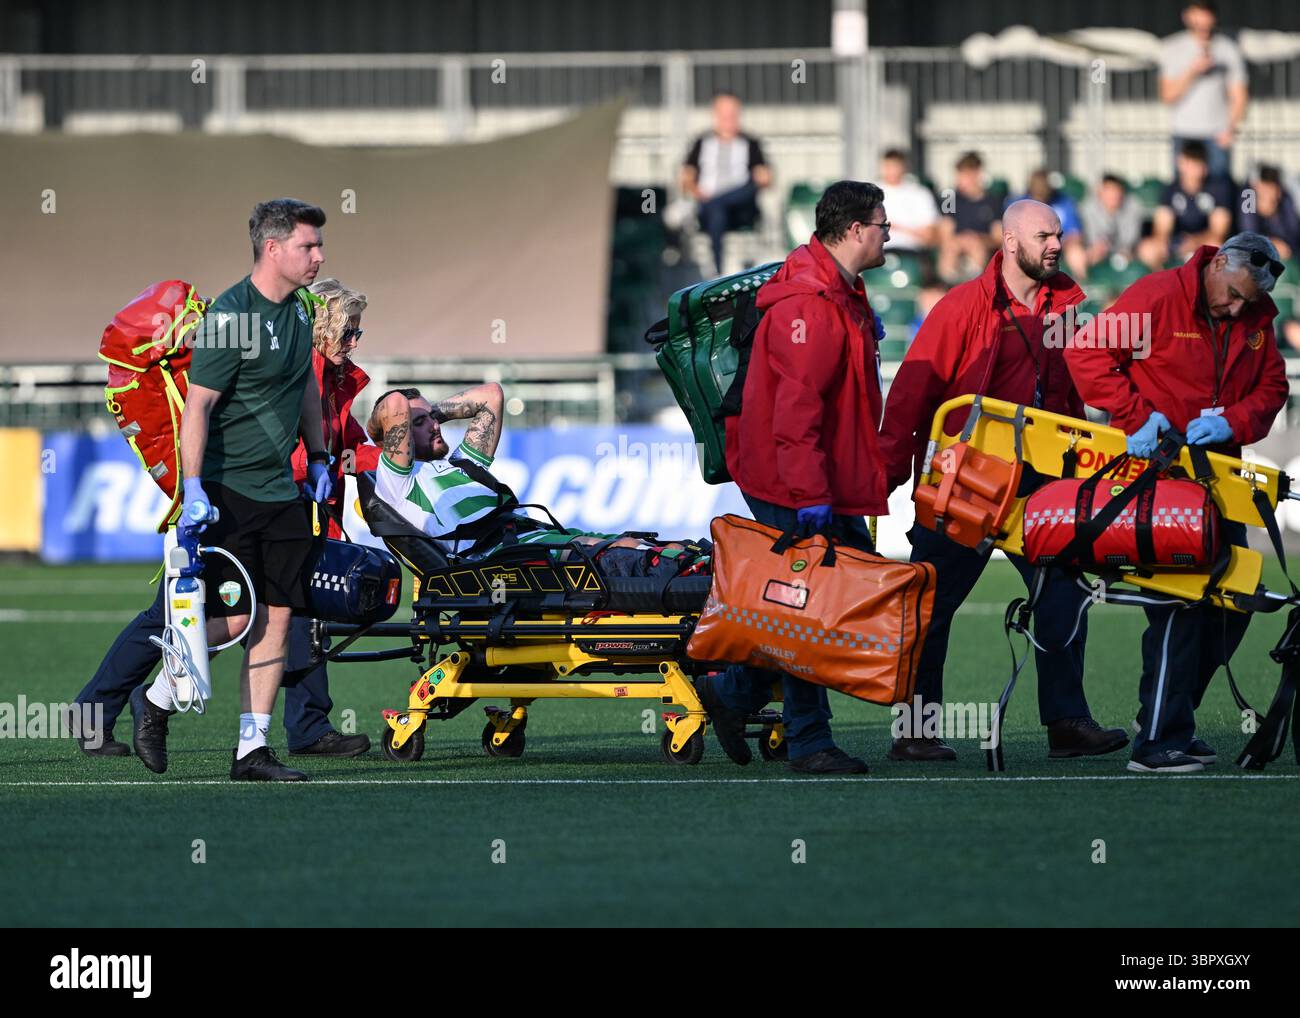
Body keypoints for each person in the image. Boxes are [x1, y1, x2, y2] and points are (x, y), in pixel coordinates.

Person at [74, 275, 379, 760]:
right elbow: (271, 440)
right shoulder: (294, 369)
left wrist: (377, 458)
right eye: (348, 332)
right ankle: (117, 705)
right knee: (182, 619)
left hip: (280, 504)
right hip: (239, 501)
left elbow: (346, 441)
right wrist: (319, 468)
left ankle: (306, 725)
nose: (355, 342)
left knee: (292, 612)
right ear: (322, 328)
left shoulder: (329, 378)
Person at [878, 200, 1128, 762]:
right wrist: (888, 470)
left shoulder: (1065, 310)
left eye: (1059, 234)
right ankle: (914, 733)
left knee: (1064, 592)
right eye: (1044, 235)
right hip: (965, 481)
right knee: (930, 605)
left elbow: (1069, 403)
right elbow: (913, 392)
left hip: (1040, 484)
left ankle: (1066, 722)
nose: (1056, 245)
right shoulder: (961, 306)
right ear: (1010, 241)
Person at [1063, 232, 1289, 773]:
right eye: (1233, 294)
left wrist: (1232, 422)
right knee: (1183, 606)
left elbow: (1273, 387)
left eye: (1247, 301)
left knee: (1233, 608)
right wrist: (1136, 416)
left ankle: (1166, 718)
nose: (1237, 307)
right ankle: (1158, 741)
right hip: (1159, 480)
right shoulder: (1158, 296)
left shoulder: (1256, 319)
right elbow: (1087, 352)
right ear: (1218, 265)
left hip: (1218, 482)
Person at [129, 198, 332, 782]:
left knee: (278, 616)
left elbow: (307, 392)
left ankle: (252, 751)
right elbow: (199, 407)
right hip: (228, 491)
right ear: (273, 249)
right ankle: (157, 698)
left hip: (281, 492)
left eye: (318, 246)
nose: (318, 256)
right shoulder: (229, 316)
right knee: (237, 619)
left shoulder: (300, 311)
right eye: (307, 246)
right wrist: (194, 486)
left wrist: (317, 457)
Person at [694, 180, 892, 776]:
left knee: (814, 599)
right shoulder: (812, 304)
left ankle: (732, 694)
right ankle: (808, 740)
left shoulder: (839, 293)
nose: (890, 235)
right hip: (790, 475)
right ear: (855, 230)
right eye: (884, 224)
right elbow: (795, 415)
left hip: (807, 472)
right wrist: (811, 498)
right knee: (808, 604)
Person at [364, 385, 706, 576]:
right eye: (419, 422)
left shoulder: (462, 465)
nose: (436, 426)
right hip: (503, 560)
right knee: (625, 553)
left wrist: (430, 413)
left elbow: (491, 396)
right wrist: (411, 418)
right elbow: (393, 403)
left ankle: (703, 567)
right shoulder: (398, 483)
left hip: (533, 539)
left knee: (650, 545)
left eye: (433, 419)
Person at [680, 92, 772, 275]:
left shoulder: (750, 142)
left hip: (741, 205)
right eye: (725, 113)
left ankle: (718, 272)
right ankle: (719, 272)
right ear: (715, 114)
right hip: (709, 205)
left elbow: (765, 178)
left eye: (733, 113)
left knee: (739, 193)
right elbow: (686, 178)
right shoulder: (701, 142)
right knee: (716, 211)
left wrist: (761, 177)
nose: (729, 118)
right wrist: (698, 192)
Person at [1159, 1, 1247, 183]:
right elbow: (1167, 96)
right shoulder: (1172, 48)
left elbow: (1239, 95)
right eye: (1198, 14)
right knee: (1183, 195)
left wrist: (1231, 129)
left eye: (1207, 14)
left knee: (1219, 193)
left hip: (1217, 134)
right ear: (1187, 16)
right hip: (1183, 133)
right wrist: (1192, 71)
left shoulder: (1227, 48)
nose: (1203, 21)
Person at [1139, 140, 1235, 270]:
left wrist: (1195, 241)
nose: (1191, 170)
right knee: (1147, 249)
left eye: (1196, 165)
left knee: (1218, 246)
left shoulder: (1217, 189)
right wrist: (1170, 243)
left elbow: (1218, 231)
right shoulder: (1171, 190)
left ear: (1204, 168)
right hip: (1177, 242)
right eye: (1188, 163)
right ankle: (1166, 282)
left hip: (1203, 241)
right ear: (1180, 163)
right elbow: (1161, 229)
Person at [1010, 170, 1088, 282]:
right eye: (1037, 194)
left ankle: (1082, 286)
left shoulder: (1064, 202)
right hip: (1030, 247)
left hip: (1061, 246)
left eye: (1044, 193)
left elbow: (1075, 234)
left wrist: (1058, 243)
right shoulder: (1019, 205)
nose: (1041, 198)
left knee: (1076, 252)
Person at [937, 151, 1002, 283]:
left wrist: (978, 239)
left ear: (976, 174)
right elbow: (945, 233)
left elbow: (997, 238)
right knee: (950, 249)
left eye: (963, 175)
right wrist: (962, 241)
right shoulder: (949, 198)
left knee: (977, 247)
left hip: (981, 248)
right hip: (956, 246)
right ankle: (948, 284)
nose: (959, 179)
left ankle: (975, 285)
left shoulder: (993, 201)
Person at [878, 149, 940, 254]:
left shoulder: (920, 193)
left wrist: (897, 228)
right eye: (888, 166)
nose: (892, 171)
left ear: (904, 167)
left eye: (895, 166)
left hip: (913, 251)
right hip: (878, 251)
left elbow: (930, 234)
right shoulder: (870, 192)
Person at [1080, 174, 1145, 271]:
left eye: (1116, 190)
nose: (1113, 194)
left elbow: (1130, 240)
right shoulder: (1088, 208)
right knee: (1084, 256)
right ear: (1100, 192)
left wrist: (1123, 251)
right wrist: (1098, 248)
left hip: (1127, 252)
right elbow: (1091, 238)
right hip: (1096, 251)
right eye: (1109, 190)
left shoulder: (1133, 206)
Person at [1238, 165, 1300, 260]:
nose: (1267, 192)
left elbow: (1294, 235)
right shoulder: (1248, 197)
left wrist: (1274, 215)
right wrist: (1271, 244)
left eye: (1271, 187)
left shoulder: (1285, 199)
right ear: (1256, 186)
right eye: (1264, 187)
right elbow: (1248, 236)